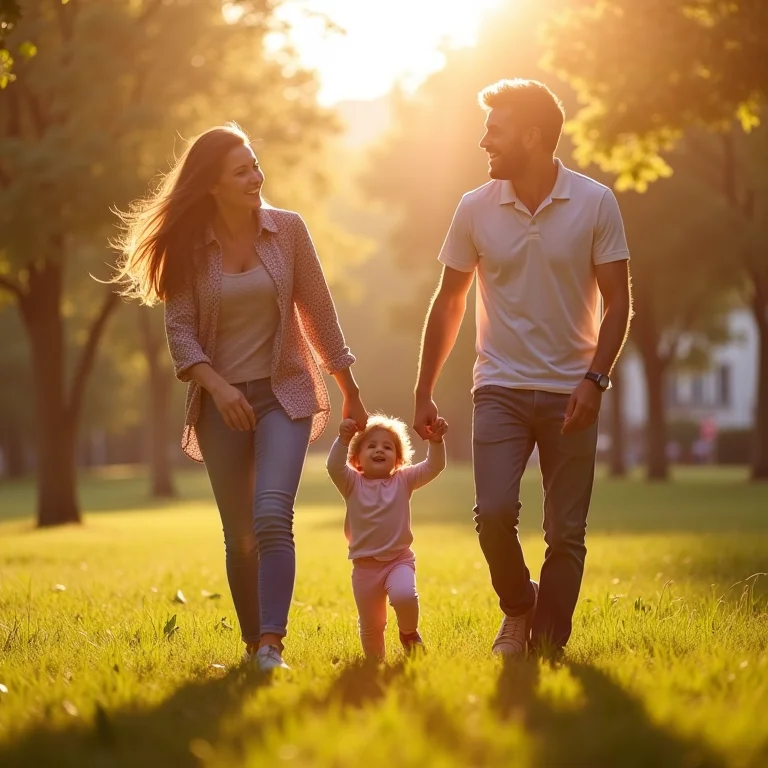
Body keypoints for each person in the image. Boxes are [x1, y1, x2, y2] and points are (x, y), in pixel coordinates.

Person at [114, 123, 367, 672]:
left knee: (273, 514)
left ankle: (273, 643)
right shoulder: (188, 248)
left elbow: (320, 316)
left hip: (286, 393)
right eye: (241, 170)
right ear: (212, 185)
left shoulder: (289, 231)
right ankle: (254, 646)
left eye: (255, 165)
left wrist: (351, 391)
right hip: (221, 402)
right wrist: (219, 387)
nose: (256, 177)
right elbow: (180, 330)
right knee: (242, 536)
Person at [412, 79, 632, 656]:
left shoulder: (595, 202)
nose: (485, 141)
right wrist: (423, 391)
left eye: (497, 131)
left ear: (533, 136)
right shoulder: (474, 208)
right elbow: (450, 301)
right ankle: (518, 607)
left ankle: (548, 644)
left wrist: (595, 379)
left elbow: (619, 304)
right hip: (500, 388)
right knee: (494, 515)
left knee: (566, 532)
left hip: (573, 393)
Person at [326, 414, 447, 660]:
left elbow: (434, 467)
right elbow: (333, 466)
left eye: (387, 447)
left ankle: (409, 634)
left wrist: (436, 442)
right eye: (371, 446)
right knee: (372, 627)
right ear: (356, 458)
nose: (379, 450)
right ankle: (374, 664)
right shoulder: (351, 483)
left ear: (398, 459)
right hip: (365, 568)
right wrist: (343, 438)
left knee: (404, 595)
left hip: (398, 560)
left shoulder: (404, 480)